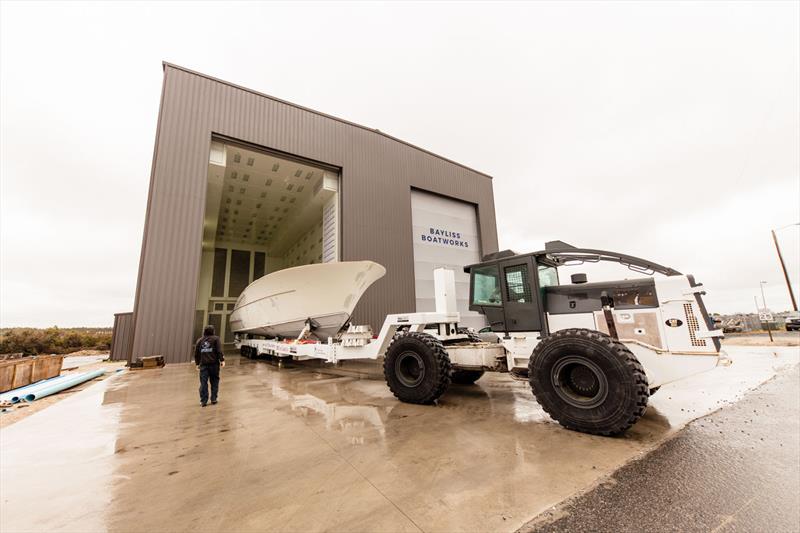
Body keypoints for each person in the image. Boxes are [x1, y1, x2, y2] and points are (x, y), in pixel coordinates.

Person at [194, 325, 225, 407]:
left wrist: (197, 364)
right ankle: (213, 399)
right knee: (214, 381)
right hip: (214, 365)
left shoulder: (200, 340)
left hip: (203, 365)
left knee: (203, 383)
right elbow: (219, 351)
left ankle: (203, 401)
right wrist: (222, 360)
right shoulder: (216, 339)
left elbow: (196, 353)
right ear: (213, 331)